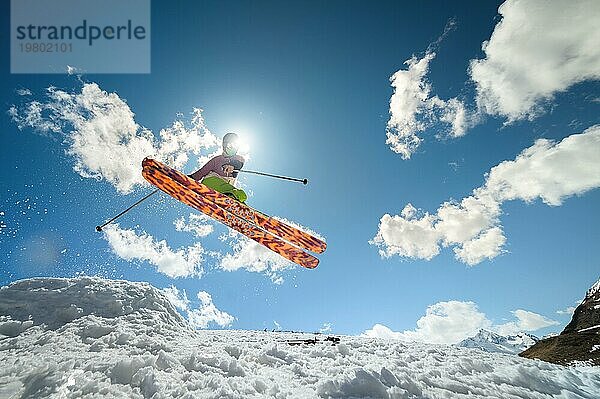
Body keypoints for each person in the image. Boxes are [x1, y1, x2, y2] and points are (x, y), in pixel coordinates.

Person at [189, 132, 248, 203]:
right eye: (230, 145)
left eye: (235, 145)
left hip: (226, 187)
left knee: (242, 195)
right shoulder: (217, 160)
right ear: (224, 146)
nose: (232, 147)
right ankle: (229, 198)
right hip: (211, 183)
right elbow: (202, 172)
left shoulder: (238, 158)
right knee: (220, 186)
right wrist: (187, 179)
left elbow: (239, 163)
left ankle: (238, 206)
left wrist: (232, 166)